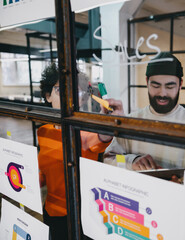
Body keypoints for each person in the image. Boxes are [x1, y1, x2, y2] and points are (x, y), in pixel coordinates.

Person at [103, 52, 185, 174]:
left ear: (180, 85)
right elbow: (110, 158)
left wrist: (182, 181)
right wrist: (131, 161)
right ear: (147, 82)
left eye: (170, 87)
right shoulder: (131, 121)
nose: (162, 93)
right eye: (155, 85)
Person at [38, 63, 112, 240]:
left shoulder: (84, 132)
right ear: (48, 96)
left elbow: (102, 137)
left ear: (83, 99)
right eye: (60, 90)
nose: (69, 96)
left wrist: (109, 122)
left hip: (81, 216)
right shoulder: (43, 131)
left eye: (76, 92)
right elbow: (44, 172)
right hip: (51, 212)